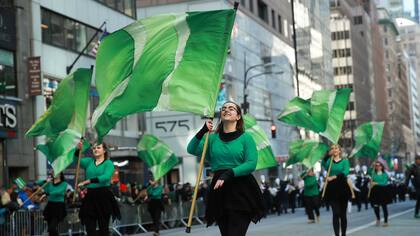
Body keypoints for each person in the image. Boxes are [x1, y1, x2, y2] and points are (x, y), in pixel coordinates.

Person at [187, 101, 264, 236]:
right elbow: (191, 149)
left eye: (231, 108)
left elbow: (251, 163)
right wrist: (203, 131)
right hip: (219, 190)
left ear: (238, 116)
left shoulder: (246, 138)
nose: (226, 110)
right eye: (223, 108)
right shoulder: (212, 139)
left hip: (241, 189)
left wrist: (229, 174)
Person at [76, 141, 120, 236]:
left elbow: (106, 177)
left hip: (103, 196)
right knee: (89, 229)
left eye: (98, 147)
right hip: (90, 197)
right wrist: (77, 150)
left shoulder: (108, 163)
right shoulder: (88, 162)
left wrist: (89, 181)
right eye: (94, 148)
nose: (95, 149)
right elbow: (77, 160)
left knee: (103, 229)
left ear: (104, 150)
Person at [322, 144, 351, 236]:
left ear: (339, 151)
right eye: (332, 148)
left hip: (342, 188)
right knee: (336, 213)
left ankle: (343, 234)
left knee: (343, 215)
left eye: (336, 148)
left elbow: (345, 172)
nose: (334, 150)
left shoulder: (345, 161)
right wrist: (327, 155)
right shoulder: (329, 162)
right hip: (332, 189)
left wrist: (334, 177)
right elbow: (323, 163)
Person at [369, 161, 391, 226]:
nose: (378, 167)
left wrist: (376, 183)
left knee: (384, 207)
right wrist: (371, 165)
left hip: (383, 192)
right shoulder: (373, 174)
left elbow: (384, 182)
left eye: (379, 165)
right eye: (376, 166)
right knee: (376, 207)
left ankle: (386, 221)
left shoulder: (385, 174)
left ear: (382, 167)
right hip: (375, 192)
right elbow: (368, 171)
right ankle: (378, 219)